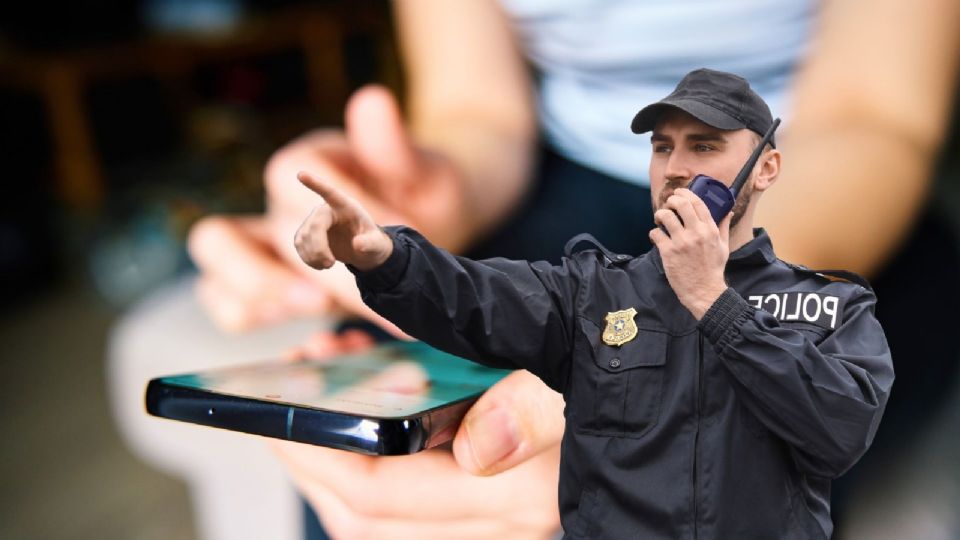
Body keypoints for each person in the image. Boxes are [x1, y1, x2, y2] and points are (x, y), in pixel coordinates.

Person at [108, 1, 960, 538]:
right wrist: (429, 193)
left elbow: (872, 116)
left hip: (822, 185)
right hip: (568, 169)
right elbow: (477, 107)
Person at [291, 68, 894, 539]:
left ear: (765, 168)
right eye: (664, 148)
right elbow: (480, 299)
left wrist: (715, 303)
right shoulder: (598, 288)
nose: (678, 170)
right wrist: (380, 253)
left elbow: (837, 431)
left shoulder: (828, 306)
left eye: (705, 148)